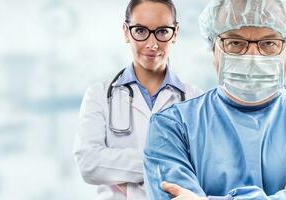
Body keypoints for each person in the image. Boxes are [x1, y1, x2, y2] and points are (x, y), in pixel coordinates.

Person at [143, 0, 286, 199]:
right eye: (235, 43)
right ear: (213, 47)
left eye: (269, 43)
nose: (253, 57)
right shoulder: (171, 127)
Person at [73, 0, 203, 199]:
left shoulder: (195, 100)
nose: (152, 44)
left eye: (162, 32)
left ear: (175, 33)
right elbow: (89, 164)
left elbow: (202, 169)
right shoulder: (98, 95)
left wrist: (128, 182)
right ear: (126, 32)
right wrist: (167, 162)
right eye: (141, 31)